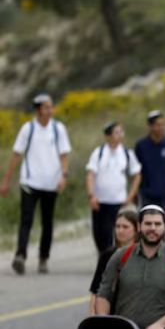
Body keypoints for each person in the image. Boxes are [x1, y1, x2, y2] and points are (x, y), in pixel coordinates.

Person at [1, 93, 71, 275]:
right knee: (26, 220)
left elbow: (64, 154)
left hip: (51, 183)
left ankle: (43, 258)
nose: (51, 110)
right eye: (47, 107)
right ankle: (20, 256)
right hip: (29, 182)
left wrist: (64, 176)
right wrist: (6, 181)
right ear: (39, 109)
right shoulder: (28, 129)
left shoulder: (58, 129)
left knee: (47, 222)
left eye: (51, 107)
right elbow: (16, 154)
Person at [85, 121, 141, 252]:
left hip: (119, 201)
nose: (120, 135)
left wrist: (130, 196)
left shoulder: (127, 154)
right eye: (117, 132)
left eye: (121, 132)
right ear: (108, 136)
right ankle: (103, 255)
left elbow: (137, 175)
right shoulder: (98, 153)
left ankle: (115, 258)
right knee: (99, 232)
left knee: (118, 231)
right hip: (100, 201)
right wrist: (91, 195)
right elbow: (90, 175)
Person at [88, 208, 139, 315]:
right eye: (118, 226)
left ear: (136, 229)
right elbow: (95, 290)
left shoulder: (142, 254)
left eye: (125, 227)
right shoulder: (107, 255)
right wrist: (92, 317)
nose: (120, 230)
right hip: (111, 313)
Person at [135, 110, 165, 215]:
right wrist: (134, 193)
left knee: (161, 225)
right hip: (146, 193)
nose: (161, 128)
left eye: (163, 125)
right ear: (150, 126)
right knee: (146, 224)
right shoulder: (141, 146)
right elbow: (136, 171)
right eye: (158, 125)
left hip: (163, 192)